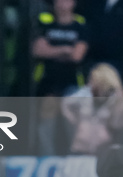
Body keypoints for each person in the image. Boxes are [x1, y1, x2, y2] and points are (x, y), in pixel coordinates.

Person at [31, 0, 89, 155]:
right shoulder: (46, 24)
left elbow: (77, 55)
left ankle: (75, 159)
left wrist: (52, 50)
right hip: (48, 82)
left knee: (73, 124)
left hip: (72, 83)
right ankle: (47, 161)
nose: (62, 3)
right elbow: (38, 50)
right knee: (46, 125)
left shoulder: (80, 26)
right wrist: (65, 49)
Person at [61, 63, 123, 154]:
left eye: (93, 80)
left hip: (103, 148)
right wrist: (75, 122)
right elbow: (65, 103)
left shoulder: (116, 99)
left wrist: (120, 99)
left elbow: (119, 124)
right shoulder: (85, 93)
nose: (91, 84)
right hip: (80, 147)